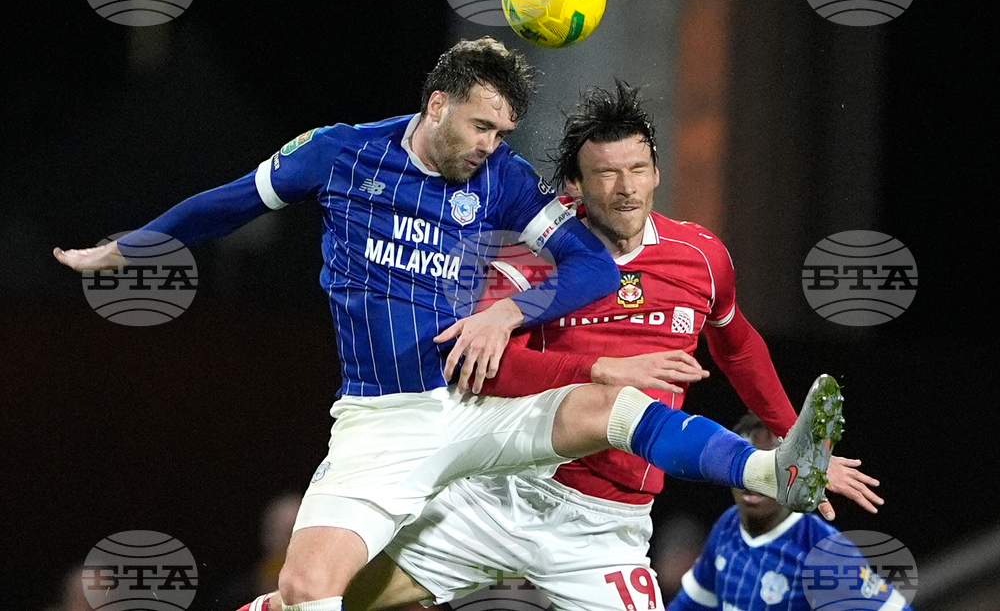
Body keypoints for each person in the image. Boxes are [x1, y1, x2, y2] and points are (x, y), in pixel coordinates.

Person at [56, 39, 843, 611]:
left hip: (484, 424)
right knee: (307, 592)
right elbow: (229, 202)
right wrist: (128, 248)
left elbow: (594, 268)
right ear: (438, 105)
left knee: (614, 408)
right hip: (387, 422)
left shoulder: (502, 180)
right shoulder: (339, 156)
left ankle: (771, 471)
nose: (494, 147)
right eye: (481, 128)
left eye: (504, 133)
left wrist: (509, 314)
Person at [256, 82, 880, 611]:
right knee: (315, 598)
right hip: (504, 493)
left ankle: (780, 465)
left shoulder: (701, 257)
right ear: (573, 186)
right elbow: (479, 370)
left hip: (608, 525)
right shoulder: (527, 259)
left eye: (638, 170)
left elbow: (738, 345)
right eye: (606, 174)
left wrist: (788, 430)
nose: (627, 188)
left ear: (658, 171)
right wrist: (602, 368)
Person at [668, 413, 911, 611]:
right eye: (746, 467)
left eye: (770, 468)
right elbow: (691, 604)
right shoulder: (727, 527)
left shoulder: (823, 551)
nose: (752, 481)